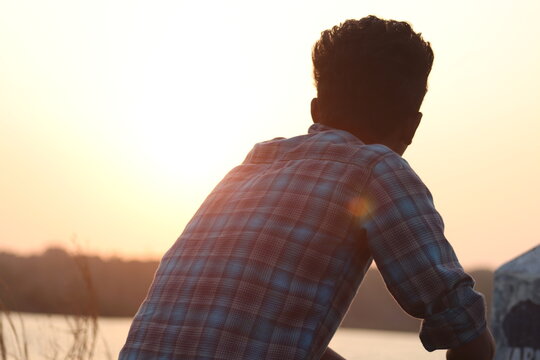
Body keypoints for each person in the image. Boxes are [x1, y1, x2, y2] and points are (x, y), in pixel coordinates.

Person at [119, 15, 495, 360]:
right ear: (412, 128)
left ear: (316, 111)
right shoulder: (378, 172)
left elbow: (243, 333)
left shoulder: (251, 168)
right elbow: (465, 327)